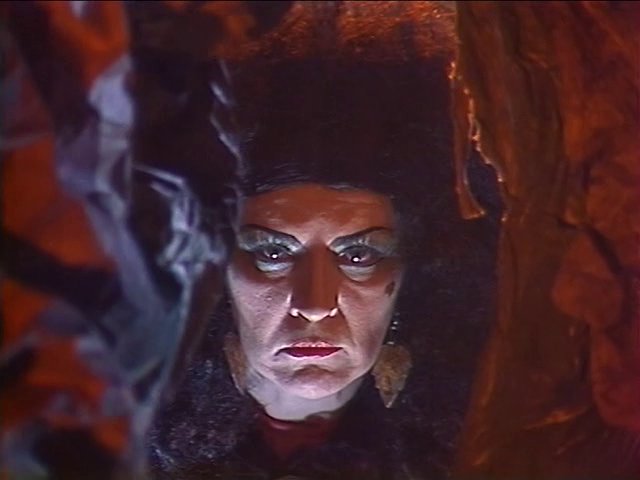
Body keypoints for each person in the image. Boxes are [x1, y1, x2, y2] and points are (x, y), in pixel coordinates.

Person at [148, 4, 498, 479]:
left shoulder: (491, 446)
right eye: (273, 253)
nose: (314, 306)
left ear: (415, 274)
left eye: (358, 255)